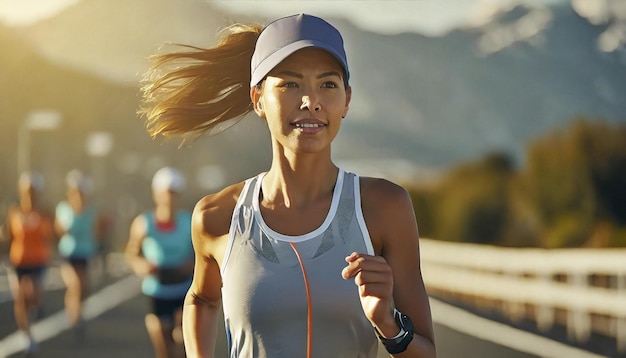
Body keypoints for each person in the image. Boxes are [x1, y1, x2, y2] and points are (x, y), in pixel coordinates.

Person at [139, 13, 436, 357]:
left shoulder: (383, 207)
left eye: (328, 84)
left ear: (347, 100)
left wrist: (389, 323)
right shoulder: (218, 216)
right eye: (290, 84)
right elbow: (201, 297)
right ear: (258, 99)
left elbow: (426, 353)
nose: (311, 101)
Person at [125, 167, 194, 358]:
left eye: (174, 194)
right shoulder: (144, 223)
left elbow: (202, 254)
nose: (169, 199)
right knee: (163, 348)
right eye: (166, 193)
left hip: (183, 288)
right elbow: (132, 254)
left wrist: (193, 265)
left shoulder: (189, 222)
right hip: (157, 290)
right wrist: (142, 266)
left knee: (181, 341)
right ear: (156, 195)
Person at [2, 171, 55, 354]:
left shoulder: (44, 213)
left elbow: (50, 235)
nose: (30, 195)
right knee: (20, 299)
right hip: (18, 261)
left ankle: (35, 311)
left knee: (33, 296)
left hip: (38, 261)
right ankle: (26, 336)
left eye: (33, 192)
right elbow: (7, 234)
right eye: (27, 191)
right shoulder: (14, 212)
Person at [54, 169, 101, 338]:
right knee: (75, 284)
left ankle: (78, 312)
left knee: (84, 288)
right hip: (68, 254)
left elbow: (96, 231)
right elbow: (59, 229)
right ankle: (74, 317)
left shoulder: (91, 211)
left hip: (85, 253)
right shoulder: (64, 209)